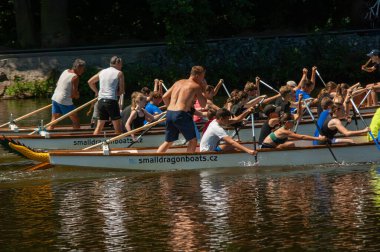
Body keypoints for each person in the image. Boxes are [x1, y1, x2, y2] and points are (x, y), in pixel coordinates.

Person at [157, 65, 207, 153]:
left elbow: (164, 97)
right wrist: (203, 89)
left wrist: (170, 108)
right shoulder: (196, 86)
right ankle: (188, 162)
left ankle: (155, 158)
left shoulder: (178, 82)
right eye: (203, 77)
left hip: (170, 113)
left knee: (168, 141)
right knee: (193, 140)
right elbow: (203, 104)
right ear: (197, 76)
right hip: (181, 114)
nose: (203, 79)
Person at [88, 56, 125, 135]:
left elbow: (90, 82)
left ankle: (93, 141)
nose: (121, 66)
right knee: (117, 127)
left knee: (99, 126)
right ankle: (119, 145)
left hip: (101, 101)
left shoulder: (102, 72)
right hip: (111, 101)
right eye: (121, 64)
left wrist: (97, 92)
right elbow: (122, 91)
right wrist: (116, 93)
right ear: (117, 63)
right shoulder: (119, 73)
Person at [48, 59, 86, 130]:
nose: (83, 71)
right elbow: (73, 95)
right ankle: (77, 138)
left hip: (55, 97)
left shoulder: (65, 71)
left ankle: (49, 132)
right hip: (64, 100)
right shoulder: (75, 77)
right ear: (78, 68)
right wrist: (77, 96)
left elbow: (57, 84)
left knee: (54, 118)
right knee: (75, 120)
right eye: (82, 69)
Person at [261, 118, 325, 149]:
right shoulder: (284, 131)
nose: (294, 123)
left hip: (269, 146)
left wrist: (299, 101)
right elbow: (302, 137)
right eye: (292, 121)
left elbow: (298, 115)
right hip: (266, 147)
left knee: (290, 144)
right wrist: (318, 138)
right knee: (291, 144)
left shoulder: (283, 128)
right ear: (287, 123)